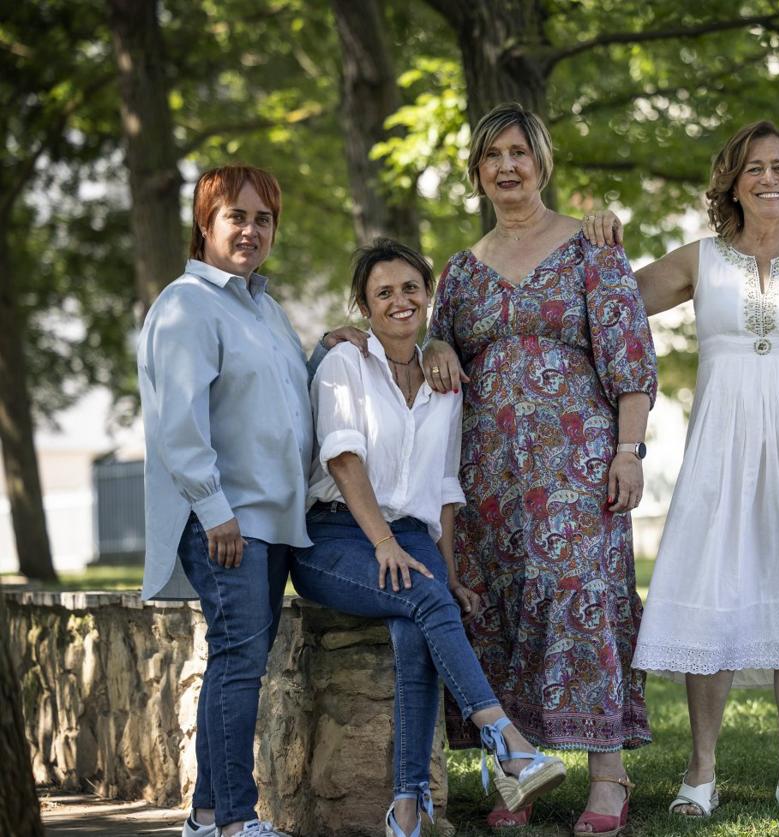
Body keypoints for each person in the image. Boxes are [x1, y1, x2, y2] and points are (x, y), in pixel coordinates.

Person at [611, 121, 779, 819]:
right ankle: (700, 771)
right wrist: (595, 237)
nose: (769, 179)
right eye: (754, 168)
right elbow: (613, 298)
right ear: (733, 180)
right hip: (721, 452)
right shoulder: (702, 259)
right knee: (712, 592)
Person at [421, 102, 657, 835]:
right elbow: (427, 347)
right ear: (477, 172)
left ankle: (609, 779)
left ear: (541, 161)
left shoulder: (592, 248)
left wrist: (628, 449)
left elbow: (631, 358)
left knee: (582, 598)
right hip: (490, 476)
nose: (507, 166)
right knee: (503, 614)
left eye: (519, 152)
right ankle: (514, 771)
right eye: (492, 156)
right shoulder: (459, 273)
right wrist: (432, 346)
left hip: (579, 468)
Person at [290, 239, 566, 837]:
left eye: (410, 288)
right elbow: (342, 460)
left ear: (427, 295)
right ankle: (507, 740)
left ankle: (407, 812)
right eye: (383, 292)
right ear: (363, 304)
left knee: (420, 624)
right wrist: (383, 544)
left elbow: (443, 487)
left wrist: (451, 567)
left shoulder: (446, 378)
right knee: (422, 598)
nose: (399, 301)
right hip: (335, 535)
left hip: (412, 534)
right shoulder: (346, 364)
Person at [138, 165, 362, 837]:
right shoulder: (187, 305)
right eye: (236, 216)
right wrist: (215, 511)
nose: (251, 229)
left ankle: (208, 816)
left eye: (263, 218)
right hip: (227, 521)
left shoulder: (260, 306)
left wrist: (325, 349)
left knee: (239, 661)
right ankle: (234, 819)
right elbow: (179, 425)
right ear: (205, 225)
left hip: (267, 519)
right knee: (238, 663)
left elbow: (284, 400)